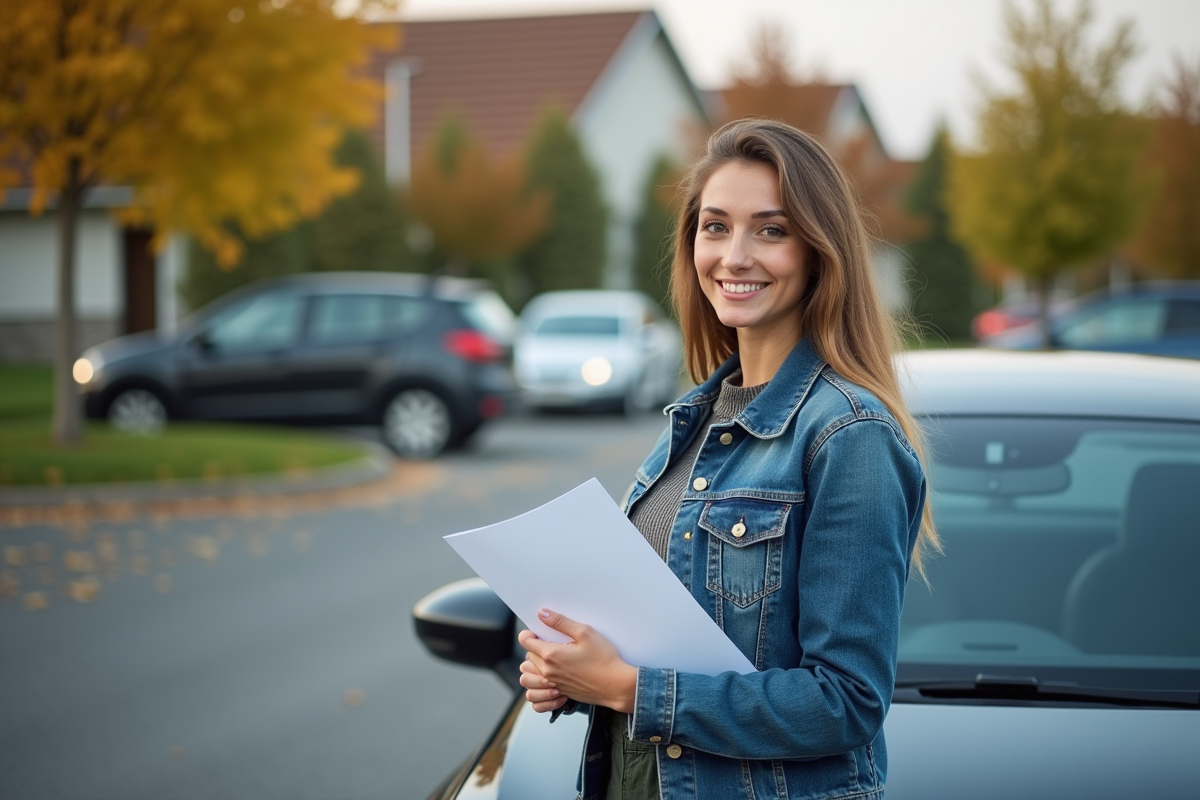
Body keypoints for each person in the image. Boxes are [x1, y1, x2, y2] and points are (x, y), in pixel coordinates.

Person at [517, 118, 938, 800]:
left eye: (770, 230)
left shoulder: (849, 436)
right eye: (715, 227)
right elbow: (661, 637)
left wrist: (629, 688)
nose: (734, 255)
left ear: (818, 252)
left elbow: (846, 702)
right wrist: (572, 671)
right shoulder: (696, 418)